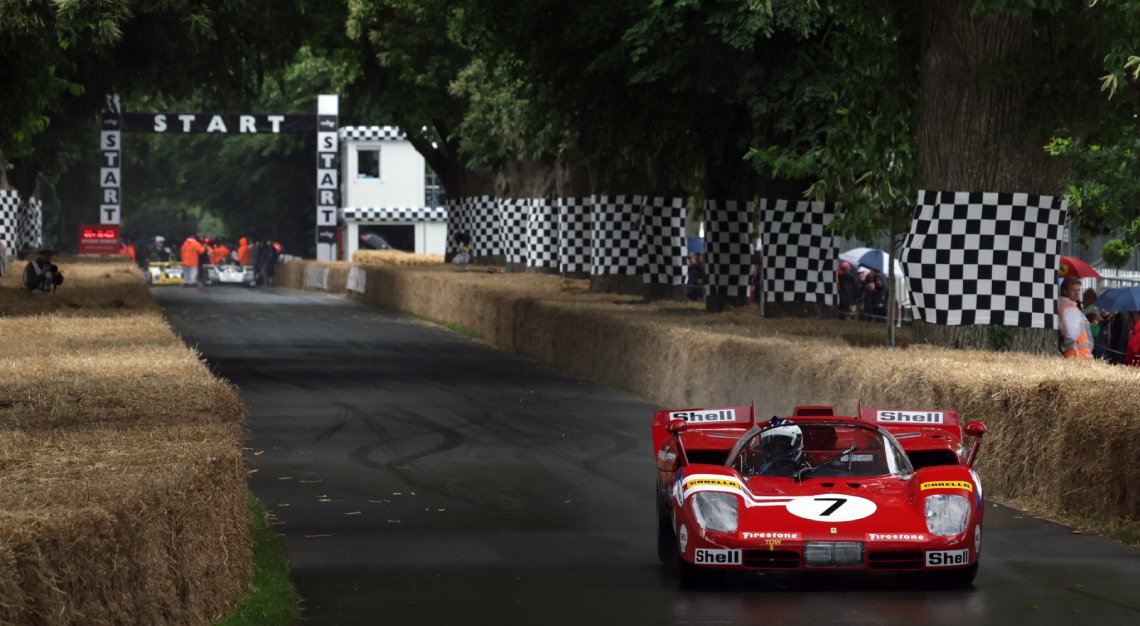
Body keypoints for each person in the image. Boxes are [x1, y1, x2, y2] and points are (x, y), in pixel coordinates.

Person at [1058, 277, 1092, 359]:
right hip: (1076, 354)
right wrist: (1065, 346)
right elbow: (1072, 335)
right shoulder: (1069, 308)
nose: (1077, 293)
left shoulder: (1065, 305)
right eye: (1073, 290)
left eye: (1078, 290)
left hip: (1075, 354)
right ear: (1064, 291)